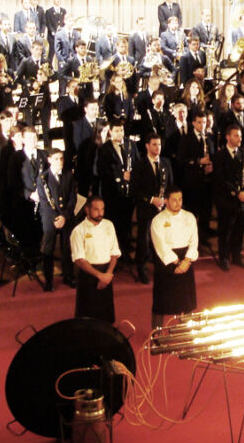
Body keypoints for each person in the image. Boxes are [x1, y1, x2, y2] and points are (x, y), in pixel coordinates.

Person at [150, 187, 199, 330]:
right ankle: (156, 333)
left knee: (187, 300)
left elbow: (194, 241)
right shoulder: (158, 220)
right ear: (166, 201)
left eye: (180, 199)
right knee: (161, 302)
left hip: (186, 260)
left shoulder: (189, 217)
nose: (178, 203)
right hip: (166, 262)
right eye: (174, 200)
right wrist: (177, 263)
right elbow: (160, 245)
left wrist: (186, 261)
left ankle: (186, 330)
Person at [131, 133, 174, 284]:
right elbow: (135, 190)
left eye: (159, 144)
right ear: (147, 146)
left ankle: (159, 266)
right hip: (146, 209)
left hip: (162, 210)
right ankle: (141, 268)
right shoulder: (139, 165)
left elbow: (170, 185)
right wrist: (151, 199)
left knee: (161, 239)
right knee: (144, 240)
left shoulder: (166, 163)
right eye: (154, 145)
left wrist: (167, 200)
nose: (158, 148)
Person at [70, 196, 120, 324]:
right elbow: (79, 260)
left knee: (107, 317)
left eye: (102, 209)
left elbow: (114, 253)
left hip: (106, 273)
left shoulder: (109, 225)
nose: (100, 213)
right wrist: (100, 276)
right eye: (96, 209)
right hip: (88, 275)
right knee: (87, 318)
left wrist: (108, 274)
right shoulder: (78, 230)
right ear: (87, 210)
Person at [213, 124, 244, 270]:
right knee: (225, 230)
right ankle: (223, 257)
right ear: (228, 137)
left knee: (240, 229)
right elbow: (220, 178)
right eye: (236, 136)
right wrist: (237, 193)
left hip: (243, 199)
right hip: (227, 199)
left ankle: (236, 255)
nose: (239, 139)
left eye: (240, 136)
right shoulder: (219, 155)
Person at [37, 150, 77, 292]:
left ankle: (68, 276)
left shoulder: (68, 175)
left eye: (61, 158)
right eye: (56, 158)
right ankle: (49, 280)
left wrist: (64, 216)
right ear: (49, 160)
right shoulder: (43, 178)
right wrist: (56, 218)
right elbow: (44, 202)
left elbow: (73, 198)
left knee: (68, 247)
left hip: (66, 217)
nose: (59, 161)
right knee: (48, 248)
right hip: (50, 218)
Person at [97, 119, 136, 256]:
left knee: (127, 220)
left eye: (122, 130)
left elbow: (137, 163)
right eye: (117, 131)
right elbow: (102, 170)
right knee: (114, 221)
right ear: (111, 132)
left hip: (129, 192)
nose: (120, 134)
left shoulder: (131, 145)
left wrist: (132, 175)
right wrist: (120, 175)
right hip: (113, 192)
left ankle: (126, 246)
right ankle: (115, 250)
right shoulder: (104, 149)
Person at [178, 111, 214, 243]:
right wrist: (199, 161)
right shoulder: (186, 139)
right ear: (193, 123)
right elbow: (181, 160)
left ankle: (203, 236)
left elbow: (213, 155)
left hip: (206, 181)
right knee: (192, 211)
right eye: (199, 122)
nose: (202, 125)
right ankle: (190, 239)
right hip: (192, 181)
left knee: (206, 211)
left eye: (204, 122)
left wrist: (211, 165)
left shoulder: (209, 138)